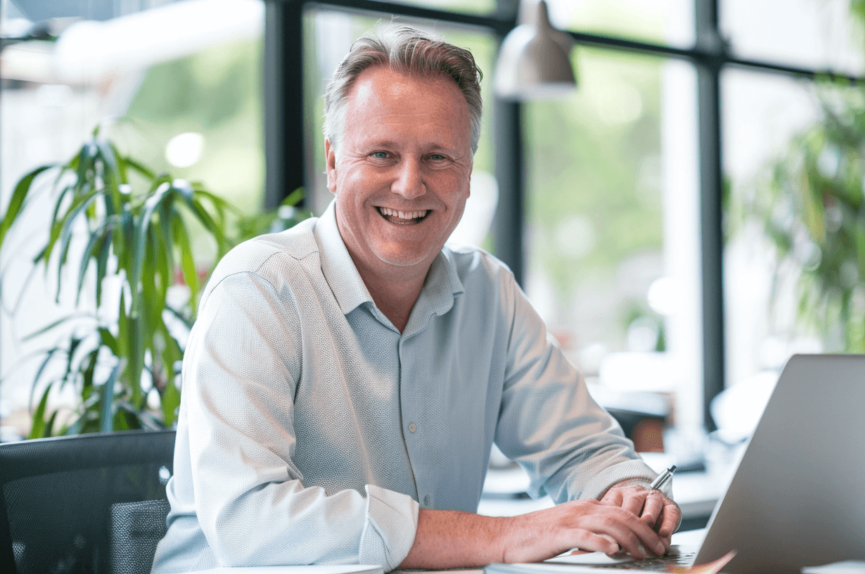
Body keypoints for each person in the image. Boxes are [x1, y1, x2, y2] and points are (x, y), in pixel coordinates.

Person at [151, 25, 680, 573]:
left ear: (469, 175)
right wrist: (501, 536)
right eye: (381, 154)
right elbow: (252, 524)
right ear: (332, 163)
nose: (409, 185)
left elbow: (582, 449)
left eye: (437, 158)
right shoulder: (258, 291)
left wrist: (626, 493)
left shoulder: (488, 294)